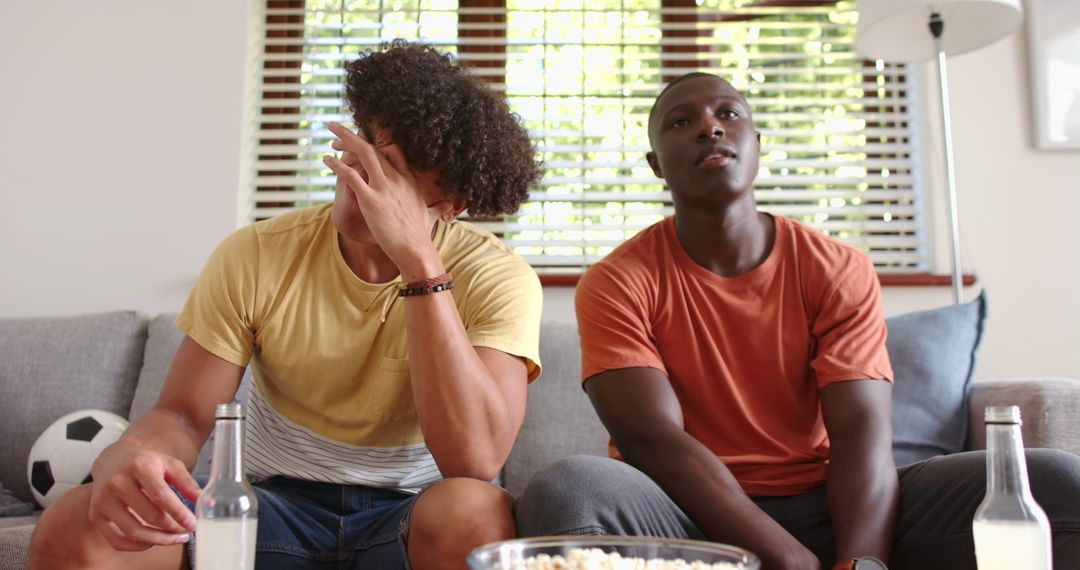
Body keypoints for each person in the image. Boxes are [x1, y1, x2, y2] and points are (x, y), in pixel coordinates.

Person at [513, 72, 1080, 570]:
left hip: (830, 503)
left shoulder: (837, 267)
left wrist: (861, 561)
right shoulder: (617, 280)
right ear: (656, 165)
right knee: (565, 491)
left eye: (728, 113)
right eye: (681, 121)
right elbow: (650, 439)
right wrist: (785, 557)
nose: (710, 127)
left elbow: (861, 430)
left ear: (757, 144)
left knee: (1054, 480)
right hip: (685, 513)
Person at [28, 41, 543, 570]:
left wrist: (421, 268)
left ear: (452, 204)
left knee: (478, 515)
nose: (356, 173)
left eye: (388, 168)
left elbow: (473, 460)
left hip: (413, 515)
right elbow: (182, 415)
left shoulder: (497, 276)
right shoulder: (257, 254)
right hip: (270, 506)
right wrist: (136, 451)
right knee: (73, 526)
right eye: (361, 144)